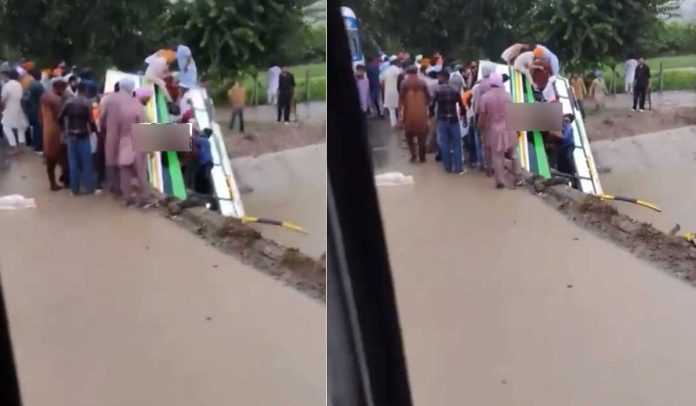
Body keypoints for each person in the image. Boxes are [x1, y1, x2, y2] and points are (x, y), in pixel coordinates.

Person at [478, 72, 521, 189]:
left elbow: (482, 117)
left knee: (497, 155)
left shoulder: (485, 97)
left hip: (493, 129)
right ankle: (518, 177)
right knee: (514, 152)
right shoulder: (508, 96)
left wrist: (481, 127)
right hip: (508, 127)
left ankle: (500, 181)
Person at [99, 78, 138, 196]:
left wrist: (103, 129)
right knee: (126, 163)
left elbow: (102, 117)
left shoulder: (109, 98)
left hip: (111, 134)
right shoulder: (132, 100)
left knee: (114, 162)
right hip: (126, 135)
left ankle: (115, 186)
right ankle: (125, 188)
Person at [58, 82, 97, 195]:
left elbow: (60, 117)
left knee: (73, 163)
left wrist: (64, 129)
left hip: (70, 136)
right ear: (85, 90)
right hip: (83, 135)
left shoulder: (68, 102)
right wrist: (94, 131)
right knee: (87, 163)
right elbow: (91, 121)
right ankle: (89, 188)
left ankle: (74, 190)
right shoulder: (87, 103)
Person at [118, 87, 150, 207]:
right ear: (143, 97)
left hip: (123, 142)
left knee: (125, 172)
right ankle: (143, 199)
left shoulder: (124, 108)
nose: (148, 100)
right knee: (141, 172)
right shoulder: (140, 109)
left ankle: (128, 198)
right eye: (148, 98)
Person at [430, 70, 465, 174]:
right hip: (454, 120)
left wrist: (432, 114)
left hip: (442, 120)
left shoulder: (437, 90)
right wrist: (463, 116)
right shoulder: (455, 90)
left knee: (444, 144)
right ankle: (458, 168)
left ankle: (447, 168)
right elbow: (461, 105)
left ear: (441, 77)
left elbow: (431, 105)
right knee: (456, 144)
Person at [40, 78, 70, 190]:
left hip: (47, 129)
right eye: (63, 88)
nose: (64, 90)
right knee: (59, 157)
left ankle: (54, 181)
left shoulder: (45, 96)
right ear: (58, 87)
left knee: (52, 158)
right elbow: (60, 115)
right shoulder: (54, 99)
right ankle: (59, 182)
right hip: (55, 131)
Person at [399, 65, 430, 163]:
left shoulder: (404, 83)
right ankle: (422, 157)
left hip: (409, 115)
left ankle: (413, 156)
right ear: (417, 72)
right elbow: (429, 98)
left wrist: (400, 114)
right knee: (422, 137)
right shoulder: (422, 83)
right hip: (422, 115)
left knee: (409, 136)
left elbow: (401, 100)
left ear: (407, 73)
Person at [1, 69, 29, 154]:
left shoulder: (7, 85)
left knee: (6, 127)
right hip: (20, 108)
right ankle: (21, 146)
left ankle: (14, 146)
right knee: (20, 127)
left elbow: (3, 98)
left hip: (10, 109)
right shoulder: (20, 85)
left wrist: (1, 108)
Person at [23, 69, 45, 153]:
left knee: (36, 128)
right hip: (37, 110)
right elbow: (43, 98)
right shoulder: (38, 86)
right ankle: (39, 147)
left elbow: (25, 99)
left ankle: (35, 145)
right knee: (38, 129)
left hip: (31, 110)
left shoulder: (30, 86)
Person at [380, 56, 402, 129]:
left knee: (391, 110)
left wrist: (384, 91)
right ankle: (400, 123)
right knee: (400, 108)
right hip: (397, 91)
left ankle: (393, 125)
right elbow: (401, 79)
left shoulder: (385, 71)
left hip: (388, 92)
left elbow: (382, 83)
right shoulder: (398, 70)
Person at [194, 127, 214, 195]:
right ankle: (205, 193)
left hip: (204, 163)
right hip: (208, 163)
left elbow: (194, 140)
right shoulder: (207, 141)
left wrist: (196, 132)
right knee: (204, 178)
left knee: (200, 178)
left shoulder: (203, 140)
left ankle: (202, 193)